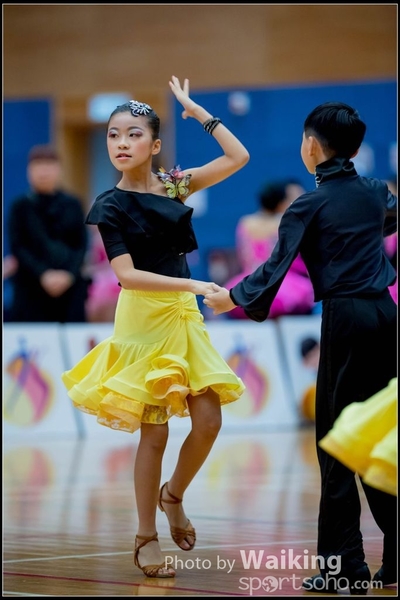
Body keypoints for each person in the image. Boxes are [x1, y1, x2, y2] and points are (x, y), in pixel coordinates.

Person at [204, 101, 397, 593]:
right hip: (387, 316)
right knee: (380, 436)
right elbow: (386, 220)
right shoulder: (376, 192)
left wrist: (232, 298)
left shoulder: (309, 205)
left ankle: (343, 568)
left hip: (347, 319)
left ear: (311, 146)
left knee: (335, 442)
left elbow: (275, 267)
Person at [61, 75, 249, 579]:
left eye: (133, 134)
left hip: (182, 318)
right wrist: (193, 285)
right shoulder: (109, 206)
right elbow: (126, 275)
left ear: (155, 144)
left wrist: (197, 112)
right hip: (143, 320)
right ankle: (145, 535)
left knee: (209, 422)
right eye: (113, 135)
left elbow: (238, 157)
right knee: (155, 431)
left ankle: (174, 496)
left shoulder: (174, 185)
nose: (121, 143)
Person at [7, 144, 90, 323]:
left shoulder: (73, 204)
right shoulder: (19, 207)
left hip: (70, 290)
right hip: (31, 290)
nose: (43, 172)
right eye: (37, 166)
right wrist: (43, 274)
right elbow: (18, 247)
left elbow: (81, 244)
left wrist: (68, 274)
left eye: (49, 165)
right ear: (29, 171)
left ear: (59, 169)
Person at [224, 178, 316, 319]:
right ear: (281, 202)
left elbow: (243, 255)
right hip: (283, 285)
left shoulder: (246, 222)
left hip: (249, 283)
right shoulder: (284, 221)